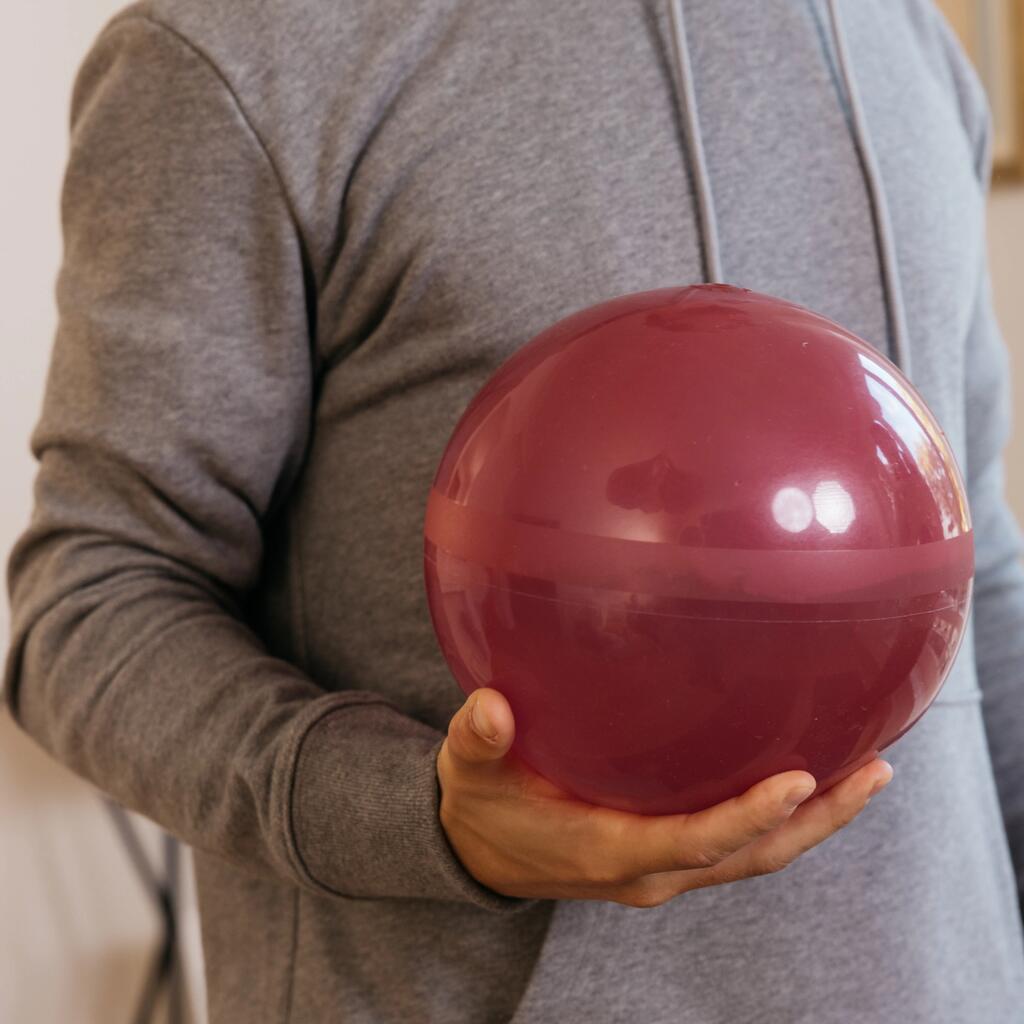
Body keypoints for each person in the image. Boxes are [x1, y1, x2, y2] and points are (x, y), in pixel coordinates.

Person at [5, 0, 1024, 1019]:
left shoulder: (908, 41)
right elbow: (90, 600)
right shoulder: (242, 49)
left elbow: (977, 574)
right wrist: (424, 819)